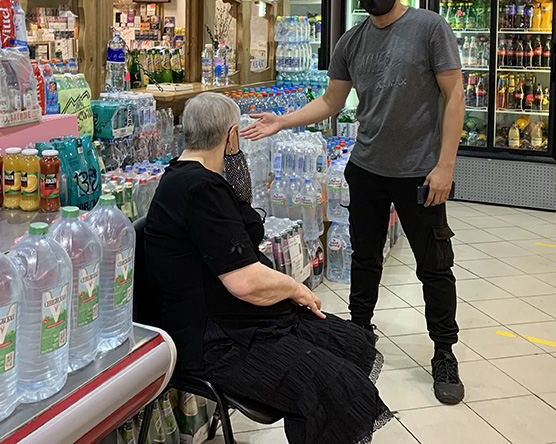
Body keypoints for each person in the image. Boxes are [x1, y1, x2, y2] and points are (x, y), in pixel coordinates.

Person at [241, 0, 466, 405]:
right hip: (365, 169)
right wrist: (282, 121)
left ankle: (444, 351)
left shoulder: (429, 28)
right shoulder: (351, 42)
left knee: (434, 266)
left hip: (420, 173)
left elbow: (455, 94)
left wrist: (445, 165)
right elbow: (331, 102)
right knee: (364, 259)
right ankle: (360, 334)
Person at [145, 93, 391, 444]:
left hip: (230, 317)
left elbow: (243, 218)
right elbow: (245, 283)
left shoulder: (196, 177)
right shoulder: (199, 188)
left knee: (351, 343)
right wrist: (296, 288)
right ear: (232, 135)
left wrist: (233, 161)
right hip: (211, 339)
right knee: (332, 384)